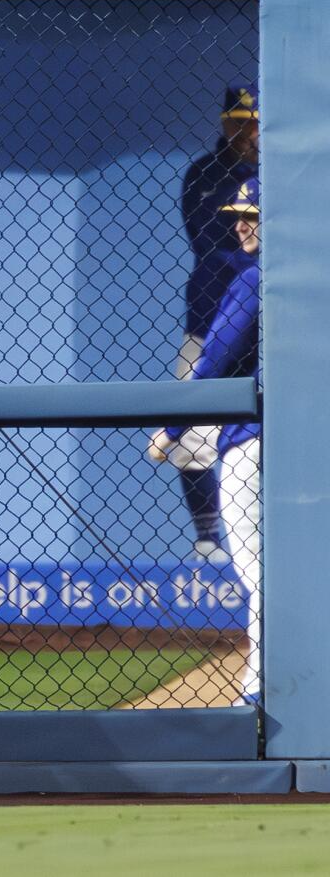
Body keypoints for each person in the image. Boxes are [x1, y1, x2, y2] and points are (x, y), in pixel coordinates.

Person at [151, 177, 260, 708]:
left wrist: (172, 427)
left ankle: (261, 689)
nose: (240, 222)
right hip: (305, 443)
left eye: (253, 215)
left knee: (257, 568)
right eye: (239, 213)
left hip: (253, 443)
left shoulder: (255, 277)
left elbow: (213, 360)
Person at [173, 86, 258, 563]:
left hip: (268, 328)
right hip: (210, 317)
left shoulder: (280, 172)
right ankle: (208, 538)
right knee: (190, 435)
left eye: (252, 122)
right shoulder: (205, 173)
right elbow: (210, 242)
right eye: (236, 122)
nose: (244, 131)